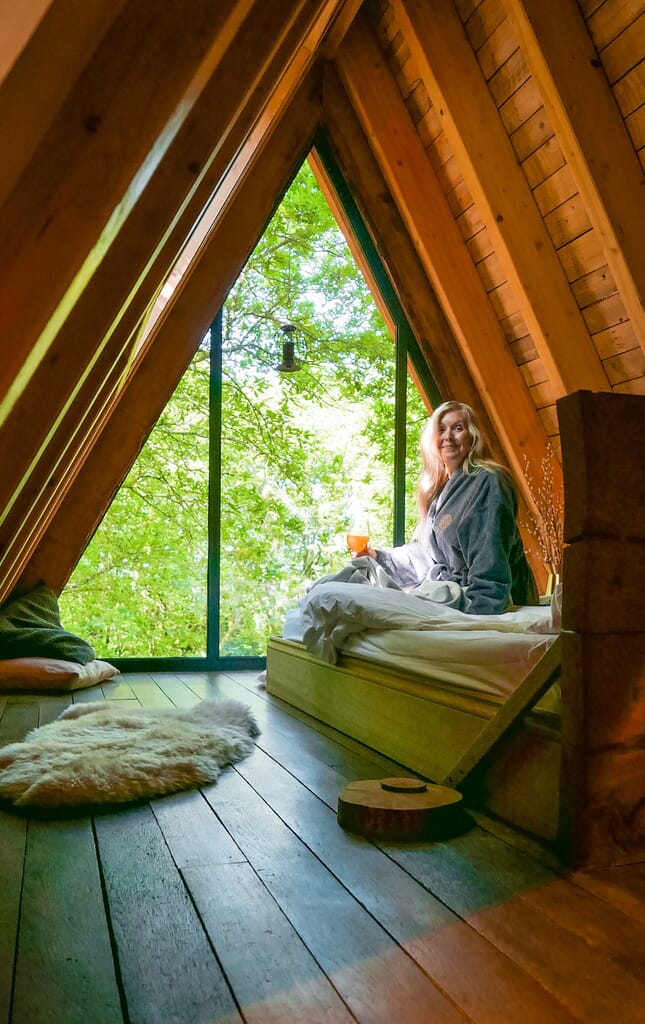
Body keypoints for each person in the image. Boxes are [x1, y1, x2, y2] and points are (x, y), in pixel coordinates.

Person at [360, 400, 538, 615]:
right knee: (354, 580)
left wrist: (481, 617)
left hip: (483, 599)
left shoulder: (488, 481)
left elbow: (489, 556)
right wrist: (378, 557)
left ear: (473, 436)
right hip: (452, 593)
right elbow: (425, 556)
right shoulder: (440, 493)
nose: (448, 437)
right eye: (441, 429)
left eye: (458, 428)